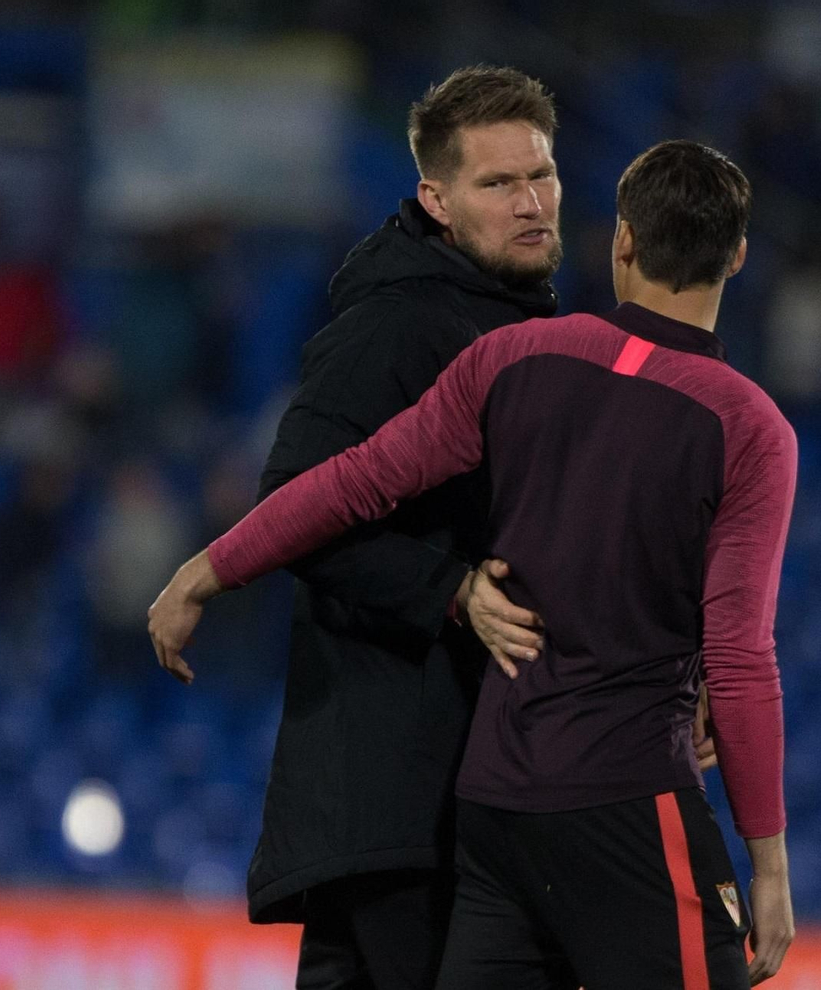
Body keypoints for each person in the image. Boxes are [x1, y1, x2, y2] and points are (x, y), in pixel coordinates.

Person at [150, 140, 797, 988]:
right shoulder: (749, 430)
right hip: (629, 801)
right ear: (738, 256)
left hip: (495, 810)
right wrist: (771, 865)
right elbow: (742, 660)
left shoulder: (516, 358)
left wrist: (207, 568)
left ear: (623, 243)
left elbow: (353, 482)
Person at [227, 66, 564, 990]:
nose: (531, 203)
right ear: (437, 200)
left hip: (445, 799)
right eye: (498, 184)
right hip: (395, 804)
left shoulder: (514, 323)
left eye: (541, 175)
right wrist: (449, 591)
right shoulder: (393, 325)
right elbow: (290, 506)